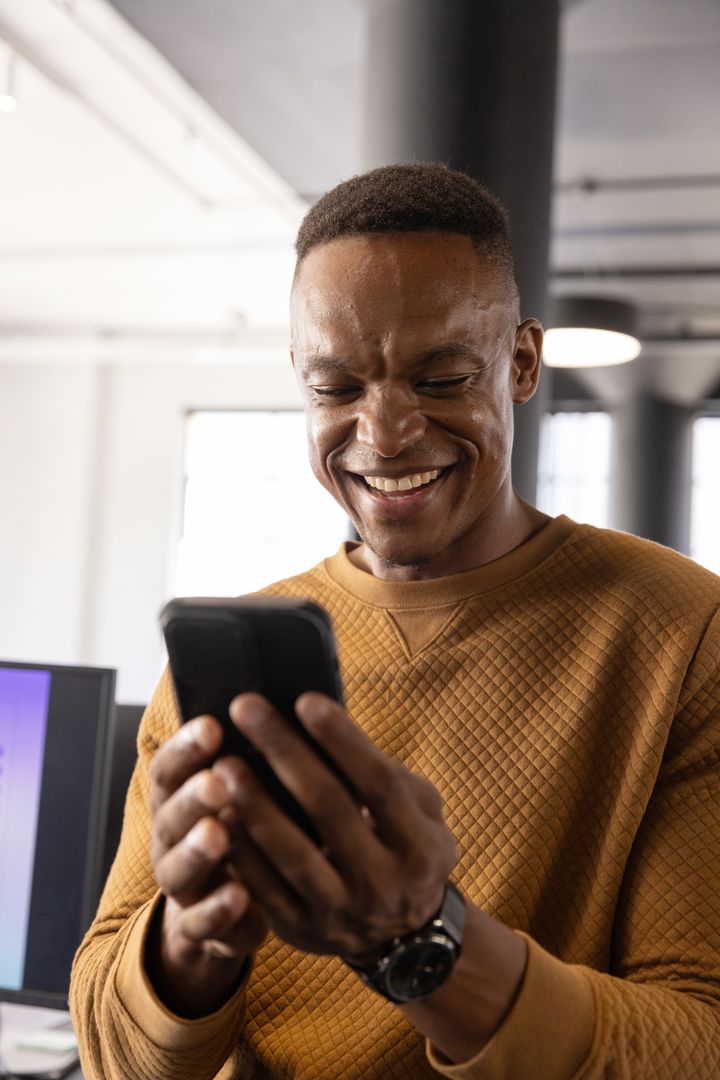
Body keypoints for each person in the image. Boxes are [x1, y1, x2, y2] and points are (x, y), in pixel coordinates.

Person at [70, 163, 720, 1079]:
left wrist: (423, 942)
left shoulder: (683, 633)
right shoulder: (223, 663)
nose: (384, 435)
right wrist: (190, 942)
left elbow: (698, 1044)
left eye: (443, 376)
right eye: (336, 390)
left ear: (522, 363)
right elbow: (110, 1056)